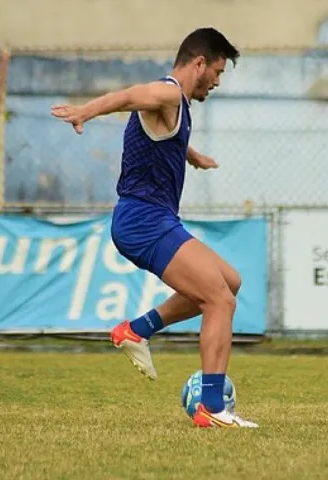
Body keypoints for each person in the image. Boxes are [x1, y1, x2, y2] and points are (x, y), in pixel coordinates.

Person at [51, 27, 258, 429]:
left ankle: (136, 330)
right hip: (142, 220)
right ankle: (212, 408)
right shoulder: (167, 94)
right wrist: (85, 111)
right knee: (220, 301)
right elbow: (129, 96)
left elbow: (163, 138)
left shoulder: (176, 108)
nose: (217, 81)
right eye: (217, 71)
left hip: (154, 218)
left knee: (229, 282)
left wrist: (192, 155)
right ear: (199, 63)